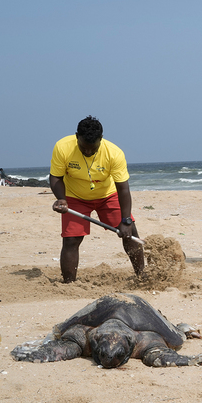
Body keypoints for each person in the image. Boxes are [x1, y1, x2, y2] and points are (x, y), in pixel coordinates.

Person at [49, 116, 144, 283]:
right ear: (76, 136)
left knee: (130, 234)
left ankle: (142, 277)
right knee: (71, 239)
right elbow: (56, 177)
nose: (87, 152)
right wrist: (61, 199)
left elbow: (123, 188)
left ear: (101, 139)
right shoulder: (62, 147)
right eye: (83, 148)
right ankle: (69, 284)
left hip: (107, 195)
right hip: (75, 196)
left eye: (93, 149)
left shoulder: (114, 153)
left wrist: (126, 220)